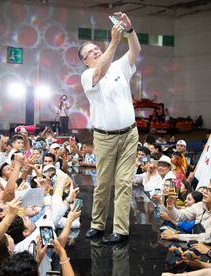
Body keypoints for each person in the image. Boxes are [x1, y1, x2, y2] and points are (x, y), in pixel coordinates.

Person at [79, 12, 141, 244]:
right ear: (85, 61)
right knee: (103, 182)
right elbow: (99, 72)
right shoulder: (87, 75)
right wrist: (114, 42)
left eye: (97, 48)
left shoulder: (119, 66)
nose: (95, 52)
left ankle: (121, 230)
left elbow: (135, 52)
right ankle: (97, 224)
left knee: (124, 183)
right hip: (104, 138)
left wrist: (129, 31)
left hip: (129, 135)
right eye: (90, 53)